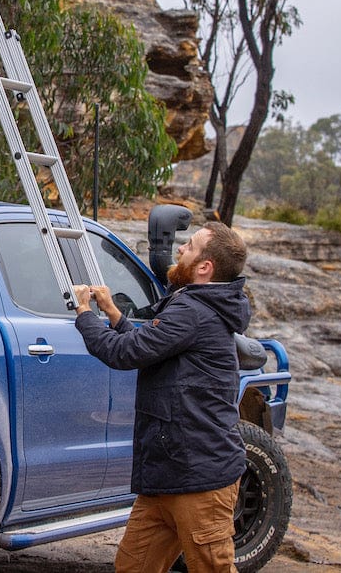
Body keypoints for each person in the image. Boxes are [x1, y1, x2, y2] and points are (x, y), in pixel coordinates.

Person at [73, 221, 250, 573]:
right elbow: (153, 345)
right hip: (166, 477)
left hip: (200, 480)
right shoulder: (195, 307)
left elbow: (123, 354)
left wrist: (84, 315)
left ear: (204, 267)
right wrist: (113, 315)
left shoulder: (194, 311)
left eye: (190, 246)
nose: (180, 248)